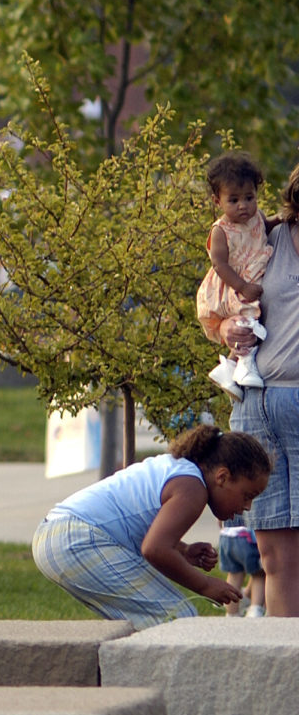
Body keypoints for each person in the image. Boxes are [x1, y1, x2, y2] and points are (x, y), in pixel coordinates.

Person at [34, 425, 268, 629]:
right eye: (247, 495)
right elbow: (154, 549)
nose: (247, 506)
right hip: (75, 541)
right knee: (177, 619)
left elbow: (139, 525)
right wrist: (206, 585)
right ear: (223, 477)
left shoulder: (180, 471)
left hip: (57, 536)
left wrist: (183, 551)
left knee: (142, 624)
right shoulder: (192, 488)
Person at [222, 159, 299, 617]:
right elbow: (218, 300)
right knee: (273, 557)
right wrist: (228, 328)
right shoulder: (263, 238)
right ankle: (287, 664)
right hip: (259, 409)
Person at [197, 152, 272, 395]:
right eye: (234, 200)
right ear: (217, 201)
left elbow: (266, 227)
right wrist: (242, 287)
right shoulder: (221, 230)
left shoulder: (256, 217)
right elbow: (219, 265)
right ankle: (246, 364)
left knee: (247, 321)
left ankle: (229, 368)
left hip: (247, 279)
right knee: (247, 320)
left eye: (249, 198)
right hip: (232, 284)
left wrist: (283, 220)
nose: (243, 205)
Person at [218, 513, 267, 618]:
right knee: (259, 575)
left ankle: (231, 613)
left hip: (227, 537)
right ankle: (255, 609)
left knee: (234, 575)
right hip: (247, 537)